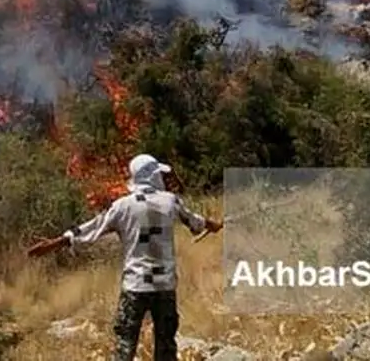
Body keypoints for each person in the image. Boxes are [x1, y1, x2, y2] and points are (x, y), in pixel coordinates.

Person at [26, 154, 223, 361]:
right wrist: (214, 225)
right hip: (164, 286)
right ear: (154, 175)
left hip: (135, 286)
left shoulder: (122, 206)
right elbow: (196, 222)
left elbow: (91, 229)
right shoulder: (170, 202)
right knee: (166, 348)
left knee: (125, 346)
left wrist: (56, 242)